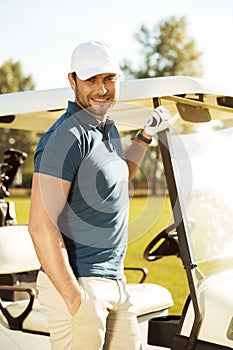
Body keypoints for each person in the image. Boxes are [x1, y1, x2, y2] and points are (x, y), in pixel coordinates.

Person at [28, 40, 176, 350]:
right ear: (73, 80)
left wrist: (145, 135)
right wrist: (75, 299)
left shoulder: (104, 129)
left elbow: (119, 175)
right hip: (80, 283)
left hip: (114, 281)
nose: (102, 88)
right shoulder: (66, 136)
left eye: (109, 78)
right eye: (91, 79)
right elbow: (41, 226)